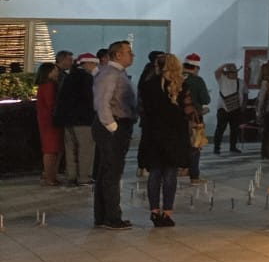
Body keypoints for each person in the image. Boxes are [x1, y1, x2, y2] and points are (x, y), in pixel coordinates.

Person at [138, 55, 196, 227]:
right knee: (170, 173)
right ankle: (167, 212)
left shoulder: (147, 85)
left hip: (153, 132)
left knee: (155, 172)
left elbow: (142, 109)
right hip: (175, 134)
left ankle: (154, 211)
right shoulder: (181, 86)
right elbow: (189, 111)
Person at [93, 41, 138, 230]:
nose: (132, 55)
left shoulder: (118, 73)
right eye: (129, 52)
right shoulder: (109, 73)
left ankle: (104, 215)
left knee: (108, 171)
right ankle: (111, 216)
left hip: (119, 125)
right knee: (111, 172)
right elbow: (102, 101)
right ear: (118, 55)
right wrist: (112, 126)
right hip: (113, 127)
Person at [54, 54, 99, 186]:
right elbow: (90, 99)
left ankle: (71, 175)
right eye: (94, 64)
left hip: (68, 120)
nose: (95, 68)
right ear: (88, 64)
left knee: (70, 148)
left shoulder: (68, 77)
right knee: (85, 148)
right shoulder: (86, 78)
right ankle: (84, 177)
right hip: (83, 120)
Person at [180, 54, 210, 185]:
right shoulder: (197, 80)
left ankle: (183, 168)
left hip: (178, 117)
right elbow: (206, 99)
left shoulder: (177, 78)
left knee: (182, 144)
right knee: (195, 146)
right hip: (194, 118)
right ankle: (194, 176)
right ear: (196, 67)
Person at [34, 63, 63, 186]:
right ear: (49, 72)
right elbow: (52, 104)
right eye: (55, 70)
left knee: (52, 149)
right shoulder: (49, 86)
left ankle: (50, 175)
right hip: (50, 122)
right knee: (51, 150)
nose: (57, 72)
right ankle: (50, 177)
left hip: (46, 120)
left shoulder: (44, 85)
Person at [213, 63, 244, 154]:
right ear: (227, 73)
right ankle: (216, 148)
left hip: (236, 108)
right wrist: (226, 64)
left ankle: (233, 147)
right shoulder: (222, 79)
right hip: (223, 108)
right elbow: (217, 71)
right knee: (220, 129)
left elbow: (245, 93)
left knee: (234, 129)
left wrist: (243, 105)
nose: (235, 74)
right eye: (232, 72)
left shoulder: (240, 82)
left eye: (235, 72)